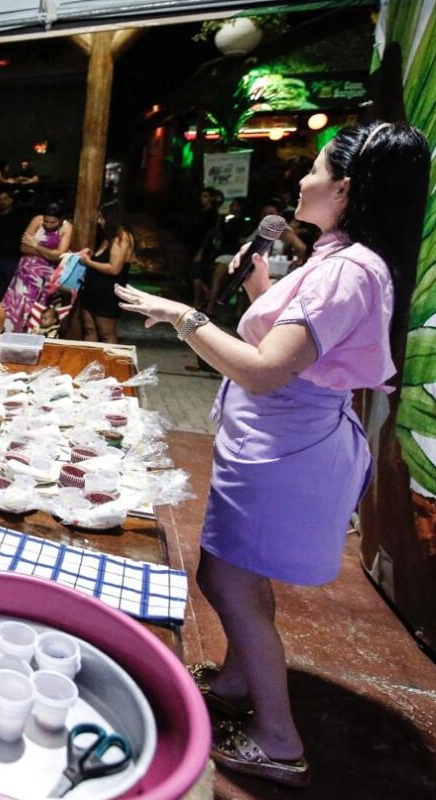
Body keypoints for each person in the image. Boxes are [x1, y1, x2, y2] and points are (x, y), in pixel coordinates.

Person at [114, 122, 429, 789]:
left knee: (225, 581)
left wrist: (183, 318)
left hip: (283, 452)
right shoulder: (339, 257)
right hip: (274, 443)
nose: (301, 180)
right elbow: (296, 345)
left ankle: (279, 739)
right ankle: (235, 677)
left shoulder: (346, 270)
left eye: (313, 170)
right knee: (242, 577)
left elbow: (264, 371)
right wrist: (260, 287)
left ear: (344, 188)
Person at [3, 201, 74, 333]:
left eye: (53, 223)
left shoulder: (66, 227)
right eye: (46, 221)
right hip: (26, 273)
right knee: (17, 306)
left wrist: (36, 246)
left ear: (61, 219)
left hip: (47, 277)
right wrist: (49, 253)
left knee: (38, 309)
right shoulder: (37, 220)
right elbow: (23, 247)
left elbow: (58, 256)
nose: (48, 225)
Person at [76, 205, 133, 345]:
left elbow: (114, 269)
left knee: (106, 334)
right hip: (91, 291)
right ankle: (89, 364)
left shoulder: (122, 237)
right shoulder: (108, 236)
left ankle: (110, 366)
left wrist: (88, 262)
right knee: (89, 330)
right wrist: (91, 256)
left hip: (107, 294)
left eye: (101, 217)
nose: (99, 221)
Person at [0, 190, 29, 298]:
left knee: (11, 288)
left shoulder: (19, 217)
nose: (2, 202)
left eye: (5, 199)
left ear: (10, 200)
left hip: (12, 258)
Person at [190, 187, 224, 310]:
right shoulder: (202, 212)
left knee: (196, 276)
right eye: (202, 196)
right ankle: (203, 298)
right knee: (195, 275)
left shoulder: (212, 214)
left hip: (204, 248)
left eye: (205, 196)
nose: (202, 199)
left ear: (211, 198)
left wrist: (201, 251)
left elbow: (209, 234)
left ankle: (200, 300)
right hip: (195, 245)